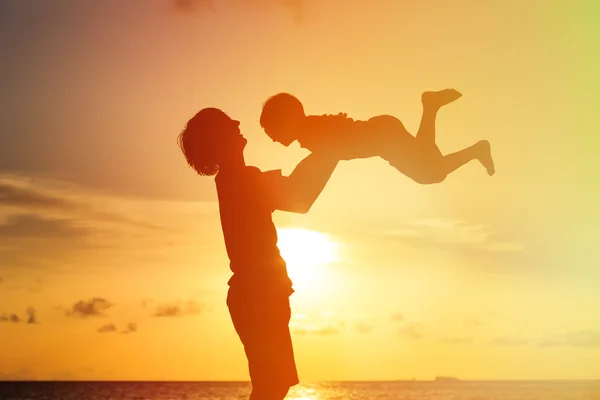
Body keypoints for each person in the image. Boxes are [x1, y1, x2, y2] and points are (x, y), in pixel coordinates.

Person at [177, 107, 340, 400]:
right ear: (218, 138)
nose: (238, 122)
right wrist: (332, 148)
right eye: (228, 123)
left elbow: (298, 192)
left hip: (258, 293)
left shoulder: (239, 178)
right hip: (257, 294)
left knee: (273, 384)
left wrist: (329, 150)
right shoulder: (241, 180)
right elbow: (301, 196)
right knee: (271, 386)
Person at [259, 89, 495, 185]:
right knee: (432, 169)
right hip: (384, 135)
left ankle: (431, 107)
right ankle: (476, 149)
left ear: (286, 120)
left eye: (272, 131)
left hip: (384, 138)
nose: (272, 138)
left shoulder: (309, 133)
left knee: (430, 172)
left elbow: (325, 150)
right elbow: (331, 133)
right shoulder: (309, 130)